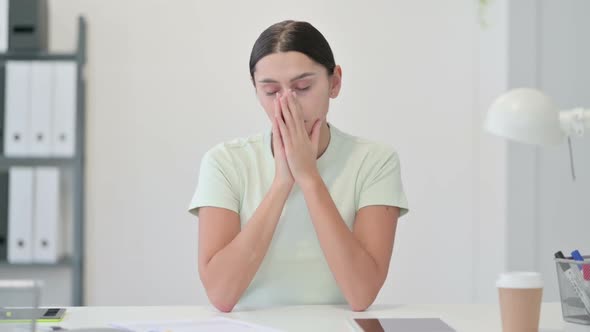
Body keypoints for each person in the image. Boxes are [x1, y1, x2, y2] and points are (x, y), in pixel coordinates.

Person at [188, 20, 409, 312]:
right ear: (255, 90)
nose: (287, 103)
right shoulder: (225, 162)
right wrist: (282, 183)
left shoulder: (375, 162)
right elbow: (221, 294)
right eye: (270, 91)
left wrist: (309, 178)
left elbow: (362, 293)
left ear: (335, 82)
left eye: (302, 87)